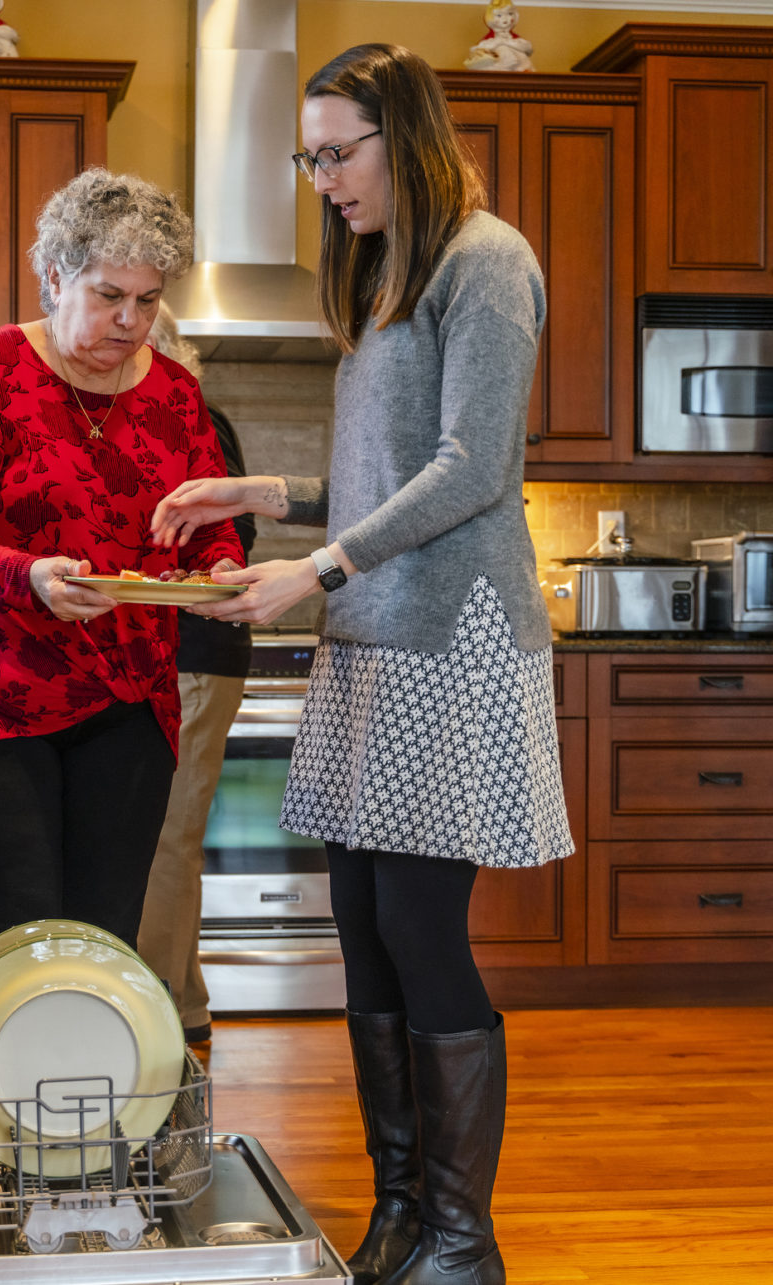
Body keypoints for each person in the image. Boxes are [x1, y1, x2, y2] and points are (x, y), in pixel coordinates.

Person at [151, 45, 570, 1285]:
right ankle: (402, 1209)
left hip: (451, 639)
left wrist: (318, 569)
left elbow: (473, 471)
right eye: (309, 158)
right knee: (360, 923)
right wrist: (260, 491)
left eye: (338, 153)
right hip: (377, 638)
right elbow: (386, 481)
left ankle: (461, 1238)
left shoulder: (487, 261)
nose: (322, 180)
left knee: (417, 925)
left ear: (407, 137)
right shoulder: (385, 275)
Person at [0, 168, 245, 952]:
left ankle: (91, 1082)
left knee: (102, 946)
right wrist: (26, 575)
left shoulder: (176, 395)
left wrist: (221, 572)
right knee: (15, 940)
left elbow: (206, 524)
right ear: (55, 276)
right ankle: (2, 1083)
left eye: (149, 300)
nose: (131, 320)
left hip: (130, 702)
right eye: (108, 295)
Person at [135, 304, 255, 1046]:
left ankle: (151, 1014)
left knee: (167, 832)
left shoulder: (195, 420)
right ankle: (185, 1002)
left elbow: (232, 534)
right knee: (167, 832)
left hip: (194, 651)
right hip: (176, 652)